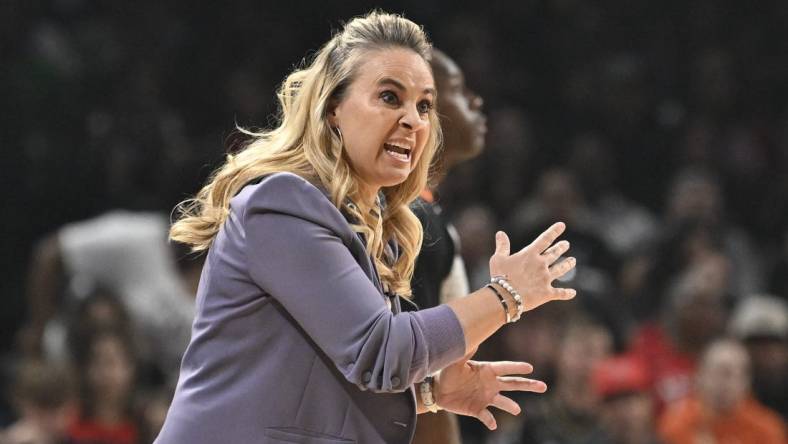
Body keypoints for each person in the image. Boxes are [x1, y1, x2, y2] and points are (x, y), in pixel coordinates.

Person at [155, 12, 576, 444]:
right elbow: (381, 351)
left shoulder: (377, 227)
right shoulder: (282, 204)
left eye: (425, 105)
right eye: (390, 97)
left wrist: (429, 392)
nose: (414, 120)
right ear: (333, 108)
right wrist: (506, 295)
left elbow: (322, 380)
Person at [409, 48, 486, 444]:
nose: (475, 100)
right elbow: (415, 367)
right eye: (457, 88)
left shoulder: (426, 212)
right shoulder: (411, 221)